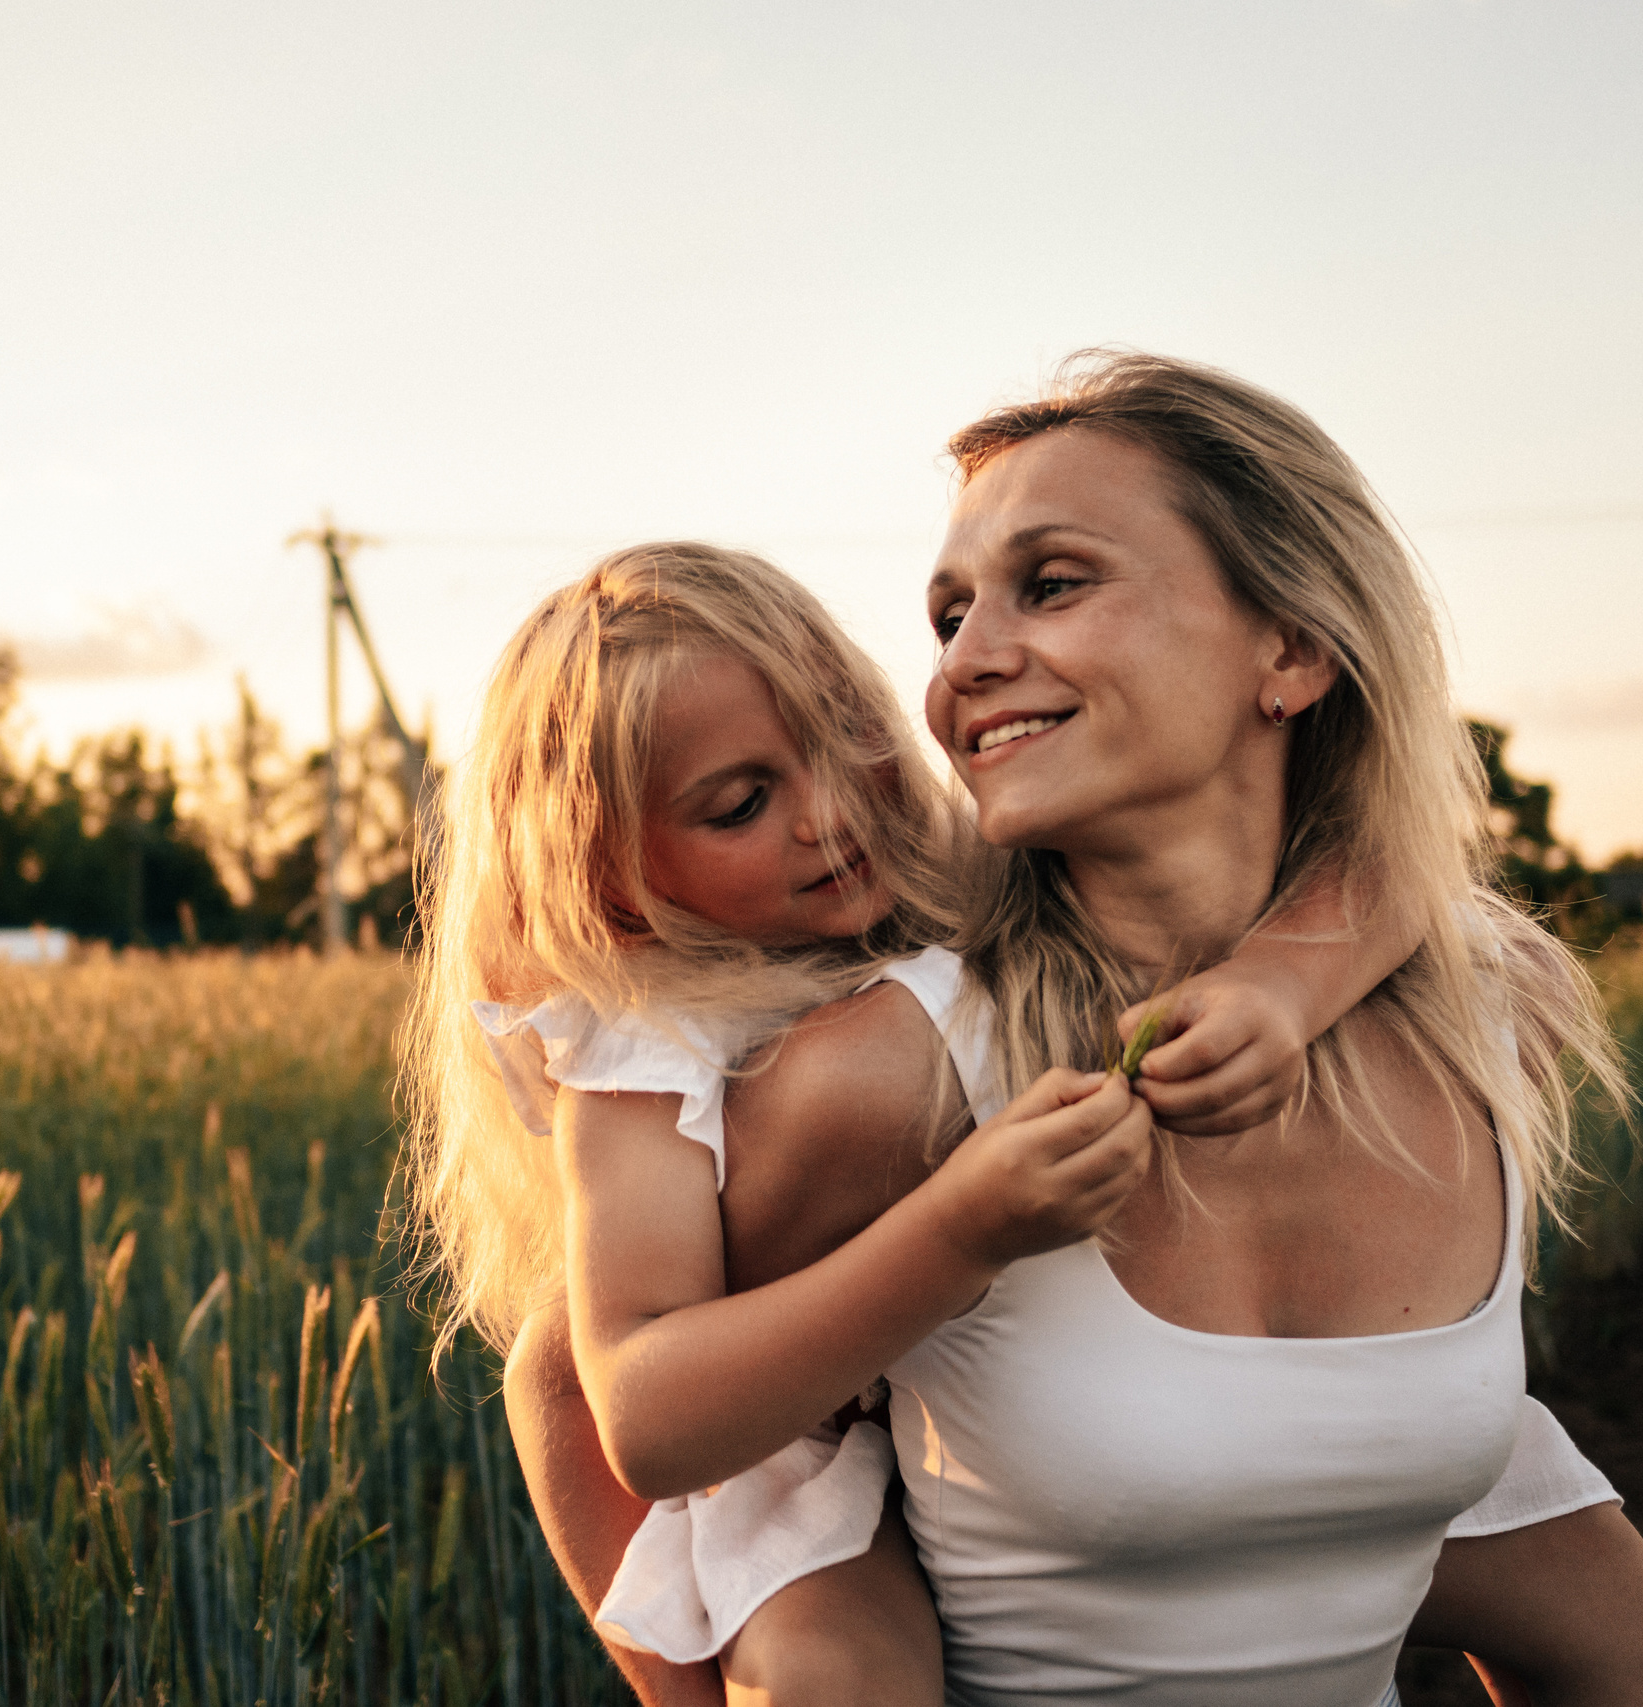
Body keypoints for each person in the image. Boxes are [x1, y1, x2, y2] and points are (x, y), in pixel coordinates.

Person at [506, 353, 1643, 1706]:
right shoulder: (891, 1074)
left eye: (1051, 582)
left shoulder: (1489, 1013)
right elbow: (576, 1376)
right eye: (948, 615)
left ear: (1293, 648)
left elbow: (1415, 1518)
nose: (964, 661)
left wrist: (1285, 980)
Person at [401, 540, 1423, 1705]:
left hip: (993, 1407)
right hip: (793, 1452)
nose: (832, 809)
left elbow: (1404, 867)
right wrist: (962, 1229)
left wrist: (1283, 984)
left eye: (850, 733)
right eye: (742, 804)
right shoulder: (639, 1041)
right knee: (838, 1671)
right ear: (613, 882)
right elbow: (633, 1411)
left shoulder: (956, 872)